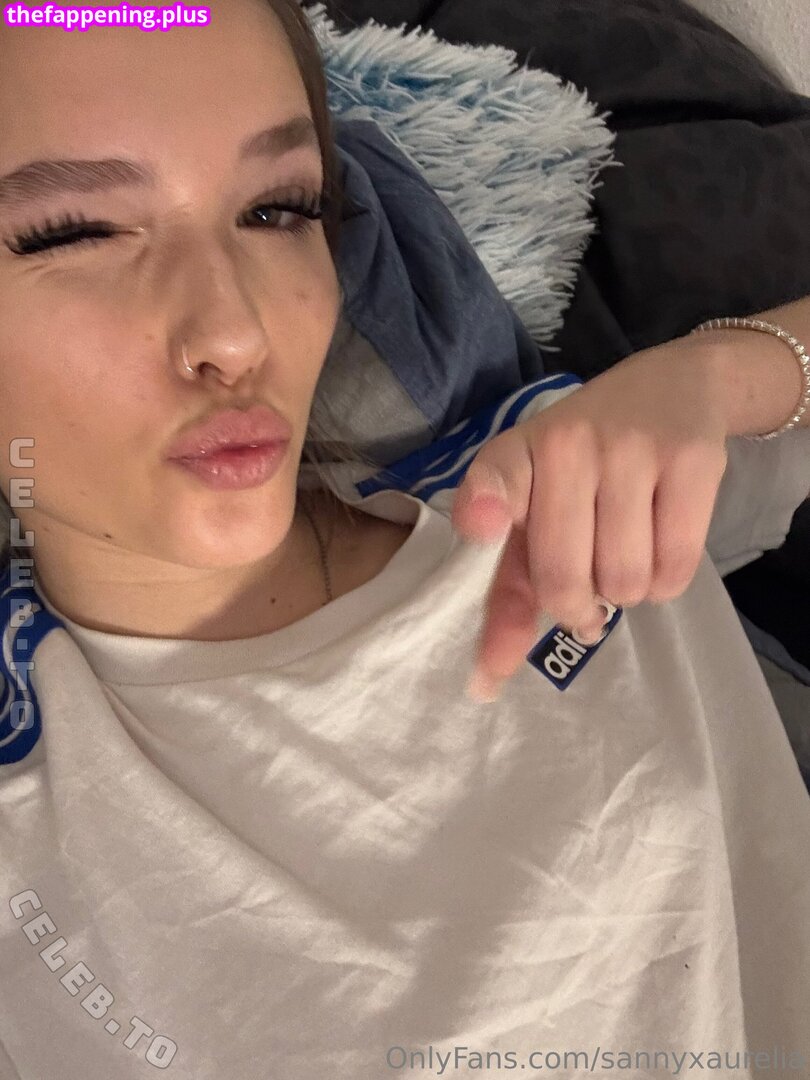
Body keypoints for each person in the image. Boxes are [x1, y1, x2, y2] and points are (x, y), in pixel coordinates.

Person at [0, 1, 808, 1078]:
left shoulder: (565, 482)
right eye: (75, 232)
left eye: (279, 210)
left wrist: (720, 375)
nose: (235, 332)